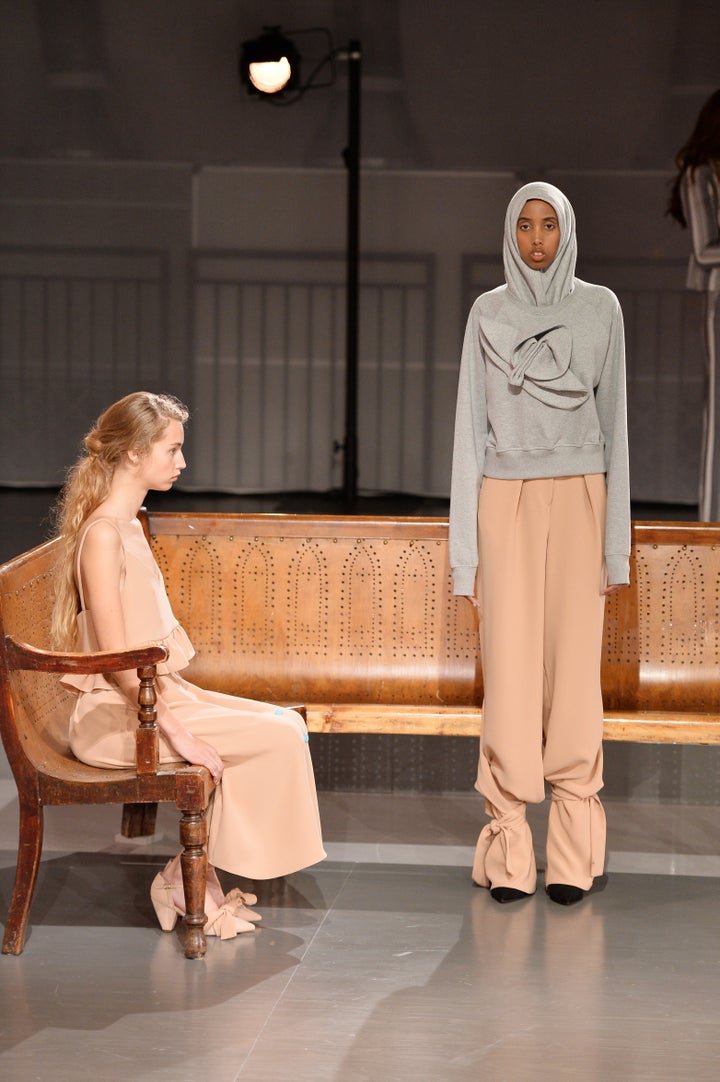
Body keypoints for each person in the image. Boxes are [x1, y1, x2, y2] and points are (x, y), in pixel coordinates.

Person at [51, 392, 326, 938]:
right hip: (121, 719)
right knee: (275, 740)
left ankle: (190, 874)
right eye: (172, 450)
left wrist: (177, 713)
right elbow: (115, 666)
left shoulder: (129, 525)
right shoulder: (104, 536)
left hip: (157, 702)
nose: (182, 462)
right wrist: (181, 735)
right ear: (133, 454)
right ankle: (186, 878)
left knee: (288, 724)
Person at [449, 182, 630, 906]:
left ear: (567, 231)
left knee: (575, 677)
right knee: (512, 672)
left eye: (548, 224)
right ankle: (510, 850)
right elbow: (469, 433)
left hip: (582, 494)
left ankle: (572, 860)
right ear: (509, 231)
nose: (535, 239)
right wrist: (468, 555)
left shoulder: (600, 309)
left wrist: (615, 547)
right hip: (506, 500)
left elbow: (616, 429)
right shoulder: (487, 313)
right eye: (524, 224)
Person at [667, 88, 720, 521]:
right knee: (717, 409)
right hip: (718, 298)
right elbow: (705, 250)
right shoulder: (698, 174)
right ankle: (711, 520)